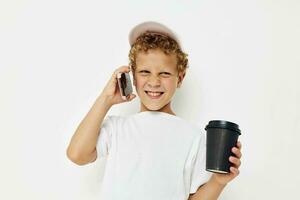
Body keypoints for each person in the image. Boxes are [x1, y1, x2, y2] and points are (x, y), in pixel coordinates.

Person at [66, 21, 242, 200]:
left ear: (180, 78)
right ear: (132, 77)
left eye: (164, 73)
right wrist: (105, 99)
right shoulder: (117, 128)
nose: (154, 82)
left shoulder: (194, 137)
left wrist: (218, 182)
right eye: (144, 72)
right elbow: (77, 154)